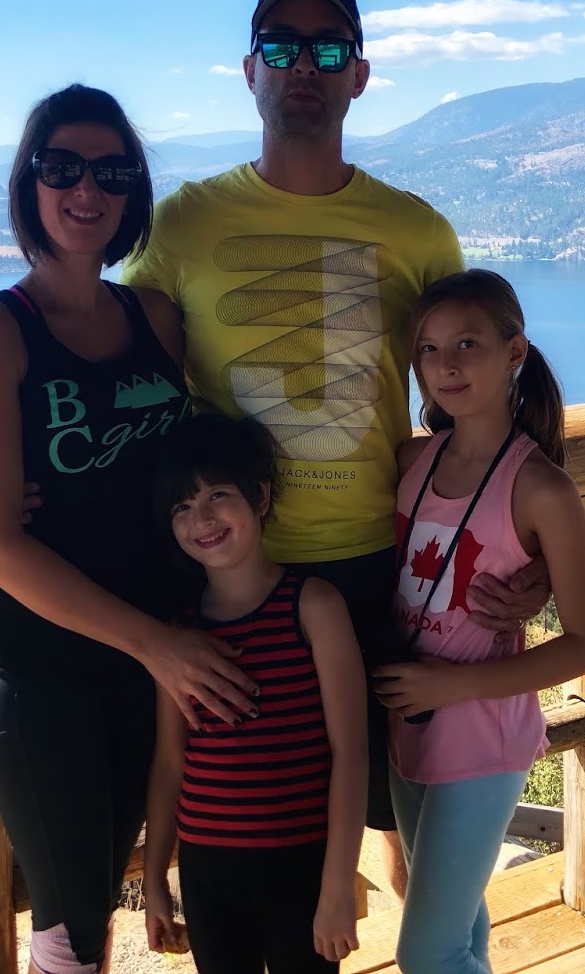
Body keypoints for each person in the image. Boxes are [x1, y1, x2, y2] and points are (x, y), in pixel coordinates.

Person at [122, 0, 552, 879]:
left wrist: (539, 552)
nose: (303, 66)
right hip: (233, 576)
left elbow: (477, 404)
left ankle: (427, 941)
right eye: (281, 46)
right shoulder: (181, 225)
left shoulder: (418, 232)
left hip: (381, 566)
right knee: (258, 826)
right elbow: (119, 382)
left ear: (359, 74)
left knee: (399, 819)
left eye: (327, 49)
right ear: (249, 69)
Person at [0, 85, 259, 974]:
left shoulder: (153, 318)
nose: (87, 189)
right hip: (44, 668)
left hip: (153, 658)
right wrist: (157, 646)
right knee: (71, 911)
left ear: (133, 193)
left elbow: (195, 456)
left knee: (107, 886)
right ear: (30, 183)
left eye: (112, 173)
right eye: (63, 168)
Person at [371, 269, 585, 974]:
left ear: (514, 352)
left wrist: (450, 687)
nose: (446, 364)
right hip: (408, 725)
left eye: (467, 344)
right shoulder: (413, 459)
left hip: (481, 739)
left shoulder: (541, 488)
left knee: (427, 954)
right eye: (429, 349)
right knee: (461, 923)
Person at [143, 411, 368, 974]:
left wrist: (338, 886)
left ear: (260, 497)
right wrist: (154, 877)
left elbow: (351, 752)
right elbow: (170, 760)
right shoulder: (177, 634)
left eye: (217, 495)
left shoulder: (313, 605)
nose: (201, 519)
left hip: (302, 862)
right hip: (206, 868)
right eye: (181, 507)